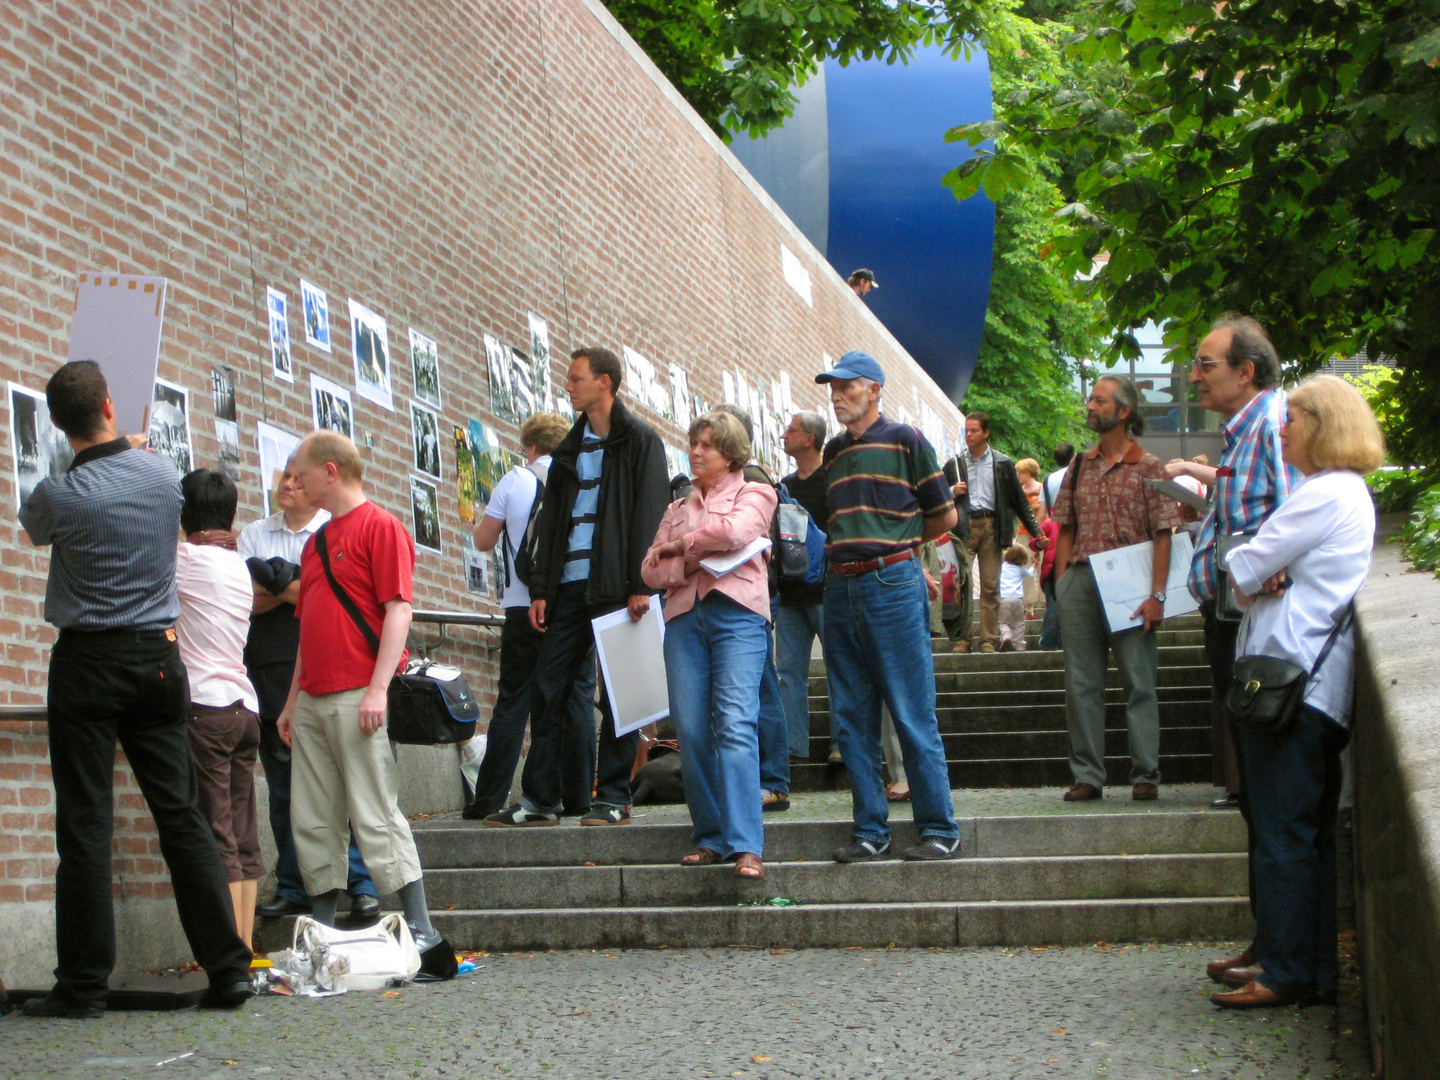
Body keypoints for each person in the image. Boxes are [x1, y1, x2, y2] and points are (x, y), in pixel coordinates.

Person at [18, 360, 253, 1018]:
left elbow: (33, 528)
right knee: (180, 816)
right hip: (158, 660)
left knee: (86, 825)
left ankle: (83, 985)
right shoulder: (160, 476)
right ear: (111, 407)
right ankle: (229, 969)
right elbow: (160, 490)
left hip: (87, 663)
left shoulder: (62, 492)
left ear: (60, 424)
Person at [1211, 375, 1383, 1009]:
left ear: (1319, 423)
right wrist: (1258, 566)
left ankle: (1283, 971)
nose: (1279, 429)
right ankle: (1307, 970)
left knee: (1284, 833)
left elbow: (1242, 568)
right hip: (1317, 687)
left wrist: (1256, 564)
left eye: (1289, 419)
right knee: (1306, 835)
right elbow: (1254, 570)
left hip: (1293, 686)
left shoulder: (1322, 495)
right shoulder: (1345, 493)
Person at [277, 431, 455, 979]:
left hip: (358, 694)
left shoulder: (381, 527)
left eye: (300, 473)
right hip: (315, 698)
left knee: (376, 815)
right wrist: (292, 701)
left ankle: (425, 936)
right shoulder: (315, 543)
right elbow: (307, 631)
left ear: (330, 472)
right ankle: (325, 936)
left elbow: (399, 611)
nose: (293, 482)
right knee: (313, 819)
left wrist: (378, 688)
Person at [485, 347, 669, 828]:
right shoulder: (567, 449)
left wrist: (640, 584)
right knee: (548, 688)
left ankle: (613, 797)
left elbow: (649, 516)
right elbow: (553, 523)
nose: (567, 386)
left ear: (605, 382)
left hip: (618, 588)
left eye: (576, 378)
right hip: (566, 588)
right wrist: (542, 588)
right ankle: (540, 798)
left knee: (619, 695)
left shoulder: (642, 442)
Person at [816, 351, 962, 863]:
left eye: (847, 386)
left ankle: (940, 829)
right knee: (851, 717)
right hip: (840, 587)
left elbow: (944, 514)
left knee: (910, 711)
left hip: (890, 585)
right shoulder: (832, 453)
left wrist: (896, 549)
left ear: (874, 389)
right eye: (832, 387)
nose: (837, 395)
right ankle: (869, 832)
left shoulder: (907, 440)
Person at [238, 457, 380, 920]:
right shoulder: (257, 532)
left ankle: (360, 884)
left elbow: (331, 594)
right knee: (283, 785)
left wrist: (280, 584)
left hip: (330, 663)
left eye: (299, 479)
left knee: (345, 781)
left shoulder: (332, 530)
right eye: (283, 476)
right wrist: (293, 585)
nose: (290, 485)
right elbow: (246, 600)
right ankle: (295, 883)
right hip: (270, 666)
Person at [1169, 318, 1298, 817]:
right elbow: (1253, 511)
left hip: (1255, 620)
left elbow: (1288, 517)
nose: (1195, 376)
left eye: (1205, 364)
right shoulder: (1242, 433)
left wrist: (1273, 564)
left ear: (1245, 371)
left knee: (1269, 791)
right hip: (1231, 614)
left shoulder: (1271, 425)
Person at [642, 411, 777, 879]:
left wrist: (681, 550)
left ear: (731, 454)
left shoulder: (755, 491)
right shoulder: (677, 506)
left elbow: (736, 532)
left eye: (708, 446)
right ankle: (710, 835)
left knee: (736, 723)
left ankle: (746, 845)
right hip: (682, 619)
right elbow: (649, 571)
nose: (696, 453)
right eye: (694, 444)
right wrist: (695, 560)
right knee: (691, 729)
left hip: (737, 615)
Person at [1050, 375, 1182, 802]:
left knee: (1138, 682)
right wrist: (1062, 581)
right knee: (1081, 684)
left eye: (1100, 400)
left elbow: (1164, 533)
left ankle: (1146, 773)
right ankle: (1087, 775)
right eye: (1090, 398)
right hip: (1082, 580)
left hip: (1132, 584)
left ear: (1124, 412)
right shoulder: (1079, 465)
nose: (1090, 405)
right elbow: (1064, 524)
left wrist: (1156, 595)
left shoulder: (1148, 467)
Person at [462, 412, 597, 820]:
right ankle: (579, 796)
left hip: (522, 603)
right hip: (570, 606)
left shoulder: (517, 480)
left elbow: (483, 540)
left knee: (515, 699)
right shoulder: (579, 482)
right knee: (575, 697)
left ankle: (489, 797)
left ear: (530, 445)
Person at [174, 469, 264, 948]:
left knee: (217, 831)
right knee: (244, 829)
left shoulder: (186, 559)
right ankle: (245, 945)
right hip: (244, 707)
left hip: (205, 707)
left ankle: (229, 951)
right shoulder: (239, 566)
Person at [714, 403, 791, 811]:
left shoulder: (753, 481)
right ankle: (752, 780)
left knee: (761, 685)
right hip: (727, 599)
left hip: (751, 599)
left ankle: (774, 779)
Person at [944, 412, 1045, 653]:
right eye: (966, 431)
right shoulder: (955, 464)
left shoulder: (1002, 463)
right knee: (962, 584)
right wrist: (951, 490)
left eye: (974, 430)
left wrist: (1036, 533)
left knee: (990, 585)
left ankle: (988, 639)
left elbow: (1019, 502)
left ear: (986, 433)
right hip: (964, 528)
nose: (969, 435)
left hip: (992, 526)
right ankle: (963, 639)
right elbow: (936, 496)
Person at [777, 411, 830, 764]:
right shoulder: (785, 486)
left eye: (791, 430)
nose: (784, 434)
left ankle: (845, 744)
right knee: (787, 673)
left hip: (827, 590)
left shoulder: (834, 479)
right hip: (790, 592)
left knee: (840, 667)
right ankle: (793, 746)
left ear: (809, 438)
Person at [1037, 443, 1076, 650]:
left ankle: (1050, 639)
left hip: (1054, 541)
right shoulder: (1080, 475)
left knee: (1054, 597)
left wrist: (1038, 543)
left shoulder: (1048, 480)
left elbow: (1042, 514)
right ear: (1073, 457)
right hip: (1077, 543)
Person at [997, 543, 1034, 652]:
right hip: (1017, 599)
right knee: (1019, 623)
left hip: (1004, 599)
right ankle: (1019, 645)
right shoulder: (1020, 569)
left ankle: (1006, 637)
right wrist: (1034, 565)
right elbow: (1030, 575)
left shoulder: (1001, 567)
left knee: (1004, 622)